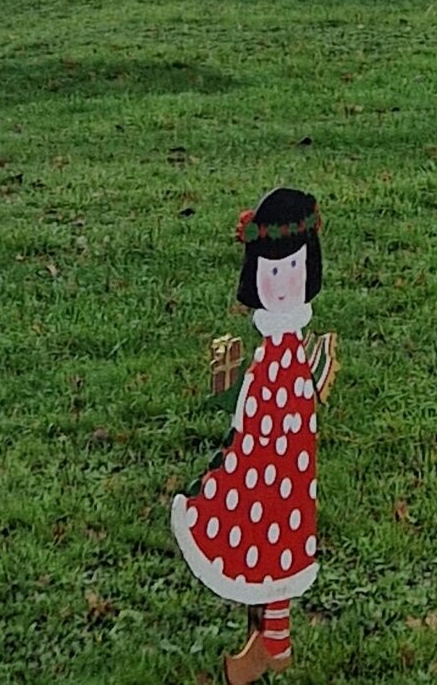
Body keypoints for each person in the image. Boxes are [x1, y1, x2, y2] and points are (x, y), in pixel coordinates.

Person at [172, 187, 333, 681]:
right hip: (261, 459)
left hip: (279, 465)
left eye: (291, 269)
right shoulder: (276, 348)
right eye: (272, 271)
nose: (282, 282)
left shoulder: (292, 351)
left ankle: (273, 645)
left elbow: (287, 401)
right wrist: (230, 388)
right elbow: (254, 400)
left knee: (273, 539)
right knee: (267, 537)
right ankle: (269, 641)